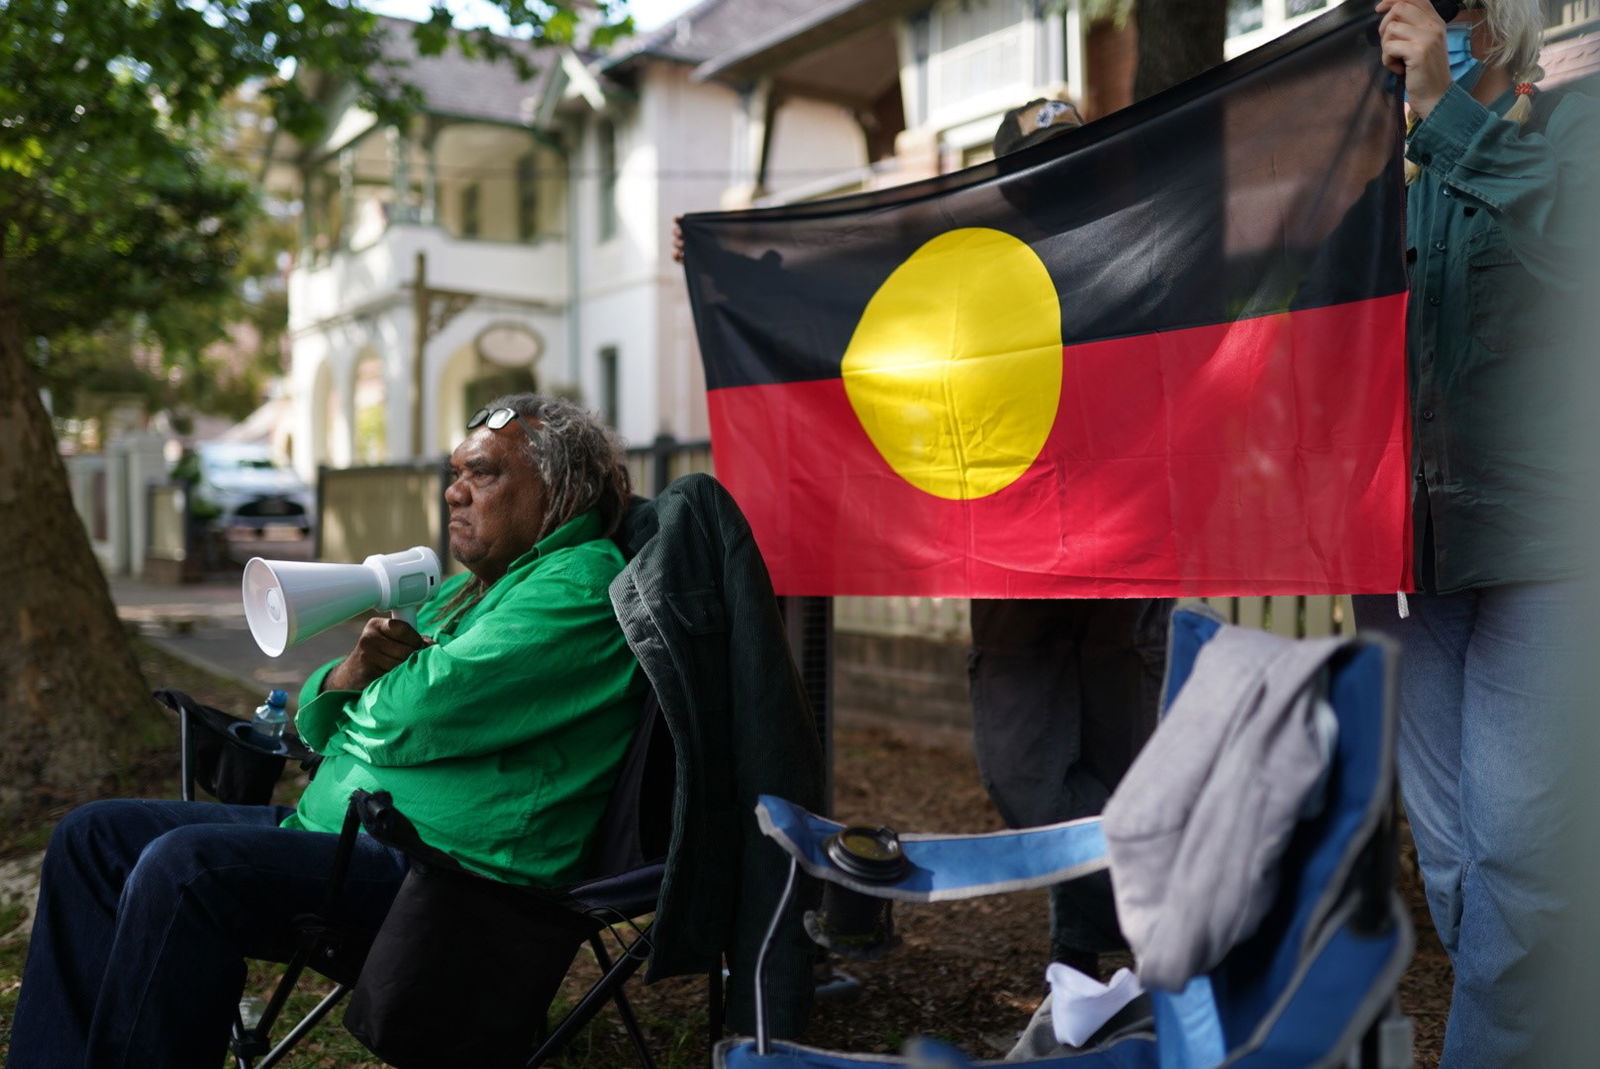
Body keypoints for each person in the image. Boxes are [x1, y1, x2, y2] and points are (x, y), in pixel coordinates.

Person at [7, 393, 644, 1069]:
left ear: (559, 488)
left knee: (185, 871)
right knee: (91, 837)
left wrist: (366, 703)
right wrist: (353, 673)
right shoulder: (470, 589)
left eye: (483, 473)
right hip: (342, 836)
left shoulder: (576, 584)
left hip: (450, 882)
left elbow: (411, 716)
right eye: (455, 472)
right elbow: (319, 717)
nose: (455, 492)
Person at [1355, 2, 1597, 1065]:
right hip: (1411, 565)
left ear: (1493, 27)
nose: (1416, 23)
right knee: (1458, 868)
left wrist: (1440, 114)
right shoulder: (1371, 165)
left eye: (1443, 7)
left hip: (1543, 556)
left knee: (1514, 862)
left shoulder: (1570, 129)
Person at [969, 97, 1175, 983]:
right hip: (1012, 557)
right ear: (1010, 181)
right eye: (1042, 160)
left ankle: (1085, 955)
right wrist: (742, 263)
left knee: (1119, 759)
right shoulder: (972, 276)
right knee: (1022, 770)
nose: (1062, 173)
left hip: (1128, 552)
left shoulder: (1152, 251)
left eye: (1076, 154)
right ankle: (1137, 914)